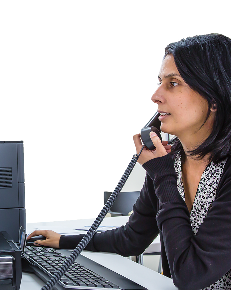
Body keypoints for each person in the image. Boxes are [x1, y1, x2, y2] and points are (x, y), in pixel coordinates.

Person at [27, 33, 231, 290]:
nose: (155, 96)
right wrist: (65, 241)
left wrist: (163, 176)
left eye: (173, 83)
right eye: (159, 82)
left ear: (214, 98)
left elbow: (192, 274)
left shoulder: (169, 169)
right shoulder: (171, 162)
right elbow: (132, 238)